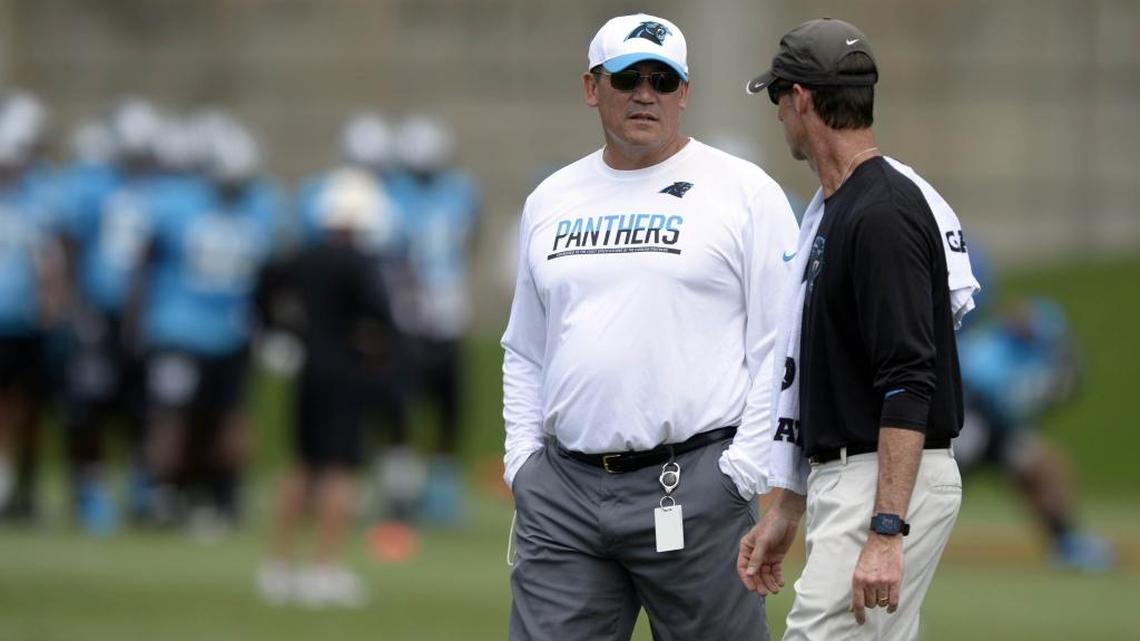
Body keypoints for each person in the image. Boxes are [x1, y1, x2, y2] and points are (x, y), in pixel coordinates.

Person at [502, 13, 798, 641]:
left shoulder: (745, 192)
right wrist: (522, 463)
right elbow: (525, 348)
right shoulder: (552, 198)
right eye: (628, 77)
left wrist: (742, 472)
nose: (645, 93)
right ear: (592, 87)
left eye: (663, 80)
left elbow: (781, 343)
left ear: (684, 92)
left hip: (694, 482)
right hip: (564, 490)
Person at [737, 18, 980, 641]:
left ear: (803, 100)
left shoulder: (882, 215)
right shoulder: (840, 208)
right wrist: (788, 504)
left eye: (777, 98)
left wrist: (885, 530)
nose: (779, 115)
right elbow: (829, 377)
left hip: (884, 478)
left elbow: (908, 378)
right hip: (855, 474)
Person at [256, 167, 395, 607]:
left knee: (301, 464)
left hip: (308, 369)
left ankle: (277, 567)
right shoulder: (360, 262)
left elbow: (263, 289)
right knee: (339, 471)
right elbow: (382, 320)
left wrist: (281, 330)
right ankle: (324, 569)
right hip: (344, 376)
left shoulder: (303, 255)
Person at [956, 297, 1115, 572]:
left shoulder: (1041, 358)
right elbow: (984, 391)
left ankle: (1066, 542)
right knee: (941, 479)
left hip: (1002, 433)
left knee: (1046, 466)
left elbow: (1044, 400)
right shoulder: (985, 345)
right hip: (966, 425)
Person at [387, 114, 481, 527]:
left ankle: (439, 494)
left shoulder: (460, 191)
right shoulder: (393, 194)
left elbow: (467, 242)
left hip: (445, 311)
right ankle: (401, 491)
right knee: (402, 408)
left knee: (448, 408)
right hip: (408, 315)